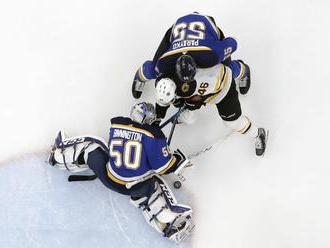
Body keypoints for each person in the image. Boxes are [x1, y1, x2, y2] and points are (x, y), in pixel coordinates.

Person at [47, 102, 194, 243]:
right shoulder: (154, 136)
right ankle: (170, 225)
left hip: (109, 177)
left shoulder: (117, 124)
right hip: (134, 188)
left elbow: (131, 138)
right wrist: (177, 160)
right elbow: (164, 168)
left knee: (92, 145)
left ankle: (59, 155)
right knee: (156, 185)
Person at [154, 59, 267, 156]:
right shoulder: (164, 80)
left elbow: (199, 99)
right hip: (195, 91)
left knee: (232, 122)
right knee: (186, 111)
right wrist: (157, 119)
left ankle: (257, 134)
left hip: (222, 87)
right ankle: (183, 114)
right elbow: (162, 102)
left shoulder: (197, 84)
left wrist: (193, 102)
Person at [132, 12, 250, 99]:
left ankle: (243, 70)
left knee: (226, 71)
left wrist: (220, 48)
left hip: (206, 26)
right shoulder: (165, 63)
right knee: (154, 69)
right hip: (177, 30)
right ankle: (140, 76)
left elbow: (233, 42)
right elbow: (233, 42)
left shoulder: (212, 55)